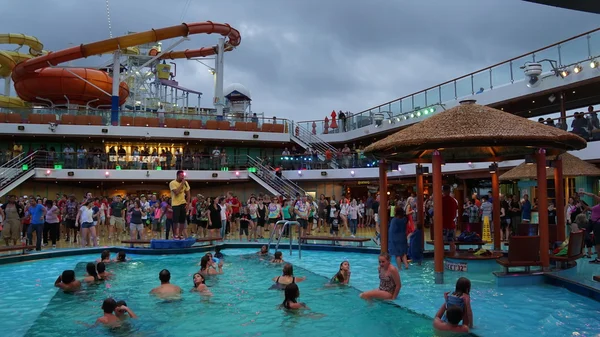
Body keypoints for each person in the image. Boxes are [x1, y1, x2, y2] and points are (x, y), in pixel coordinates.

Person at [169, 170, 191, 239]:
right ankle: (175, 234)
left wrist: (187, 204)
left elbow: (188, 194)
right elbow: (176, 192)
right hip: (175, 204)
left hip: (183, 203)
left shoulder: (186, 183)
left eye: (183, 176)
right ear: (178, 176)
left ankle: (180, 234)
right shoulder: (172, 183)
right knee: (175, 221)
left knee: (182, 220)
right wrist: (182, 184)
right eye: (181, 176)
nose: (183, 177)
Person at [388, 205, 409, 270]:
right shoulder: (404, 219)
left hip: (395, 238)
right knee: (403, 254)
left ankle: (399, 268)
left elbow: (391, 230)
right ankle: (406, 266)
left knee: (397, 255)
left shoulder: (394, 220)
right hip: (403, 237)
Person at [441, 185, 458, 255]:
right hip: (451, 224)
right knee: (451, 241)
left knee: (441, 241)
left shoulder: (441, 200)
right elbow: (455, 211)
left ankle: (441, 255)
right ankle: (453, 254)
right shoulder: (453, 201)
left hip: (443, 224)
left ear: (443, 191)